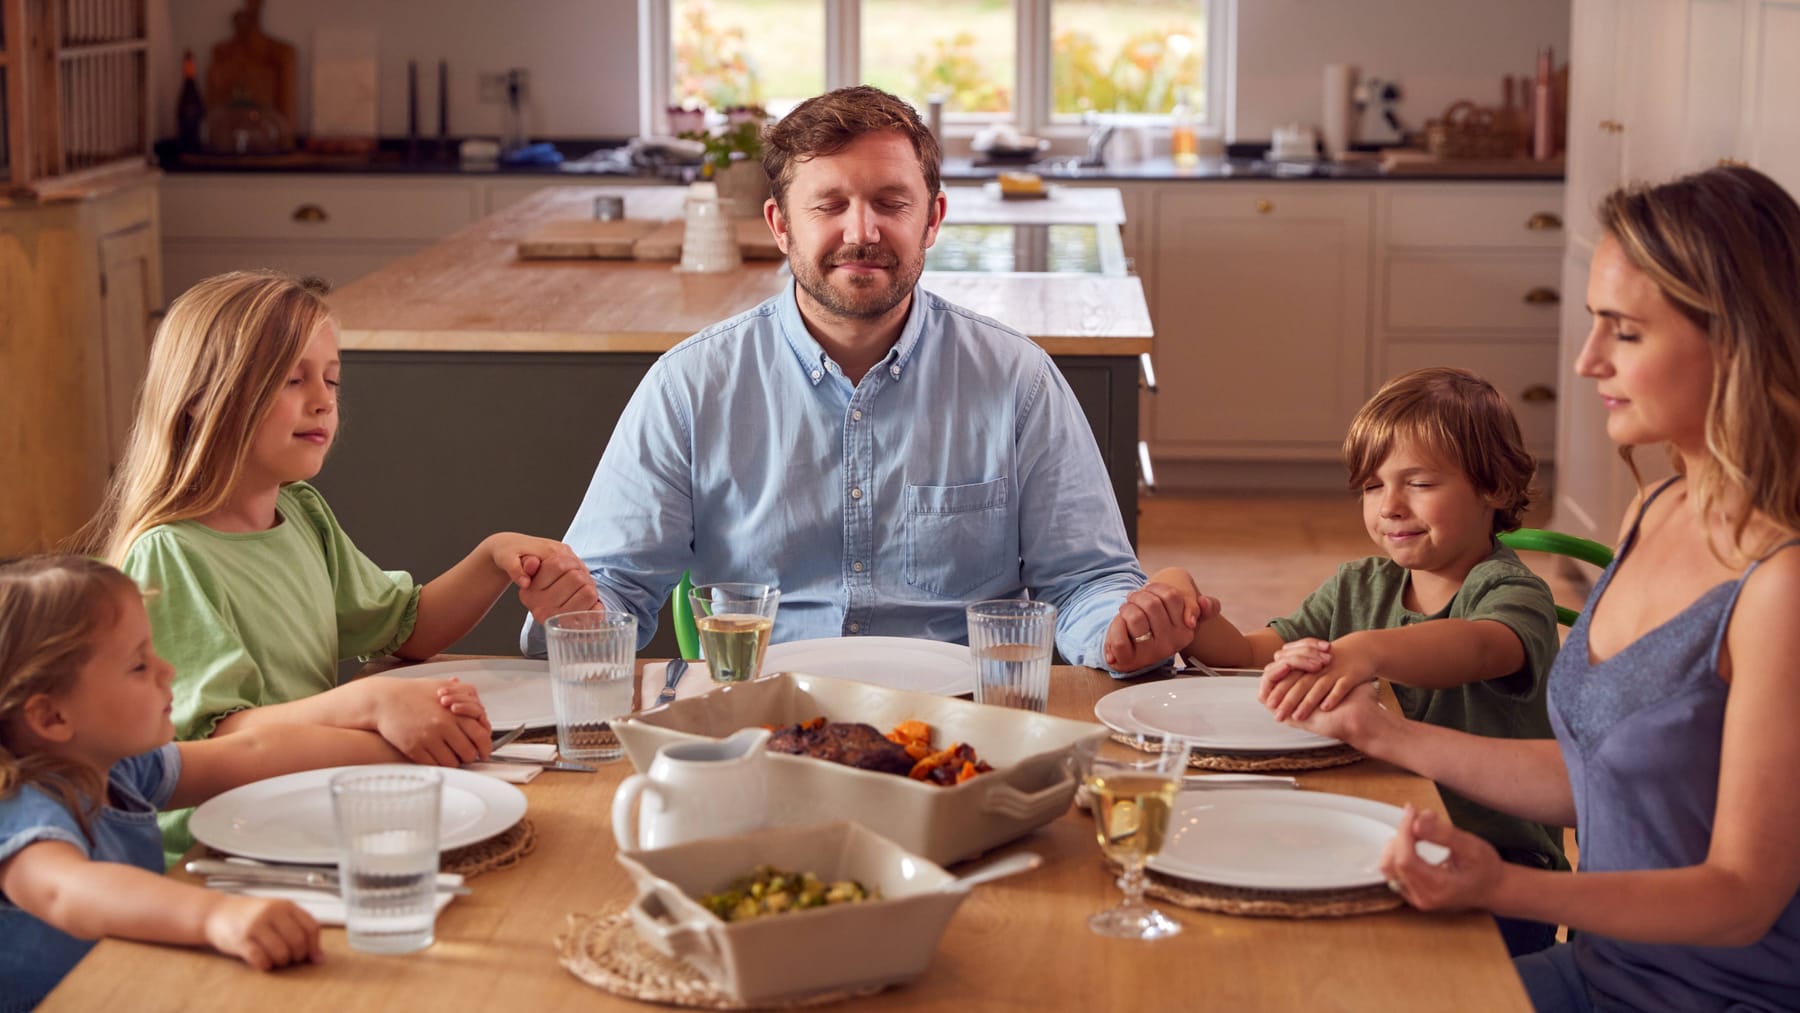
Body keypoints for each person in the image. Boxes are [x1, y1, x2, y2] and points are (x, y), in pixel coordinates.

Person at [1299, 166, 1800, 1011]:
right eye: (1593, 323)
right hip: (1597, 970)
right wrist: (1384, 735)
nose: (1586, 359)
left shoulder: (1781, 585)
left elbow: (1740, 894)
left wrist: (1506, 885)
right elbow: (1601, 776)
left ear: (1736, 338)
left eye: (1625, 332)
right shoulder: (1658, 506)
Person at [522, 86, 1145, 669]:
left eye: (891, 203)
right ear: (780, 225)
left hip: (962, 724)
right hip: (763, 717)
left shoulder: (1019, 380)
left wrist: (1125, 630)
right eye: (830, 205)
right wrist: (577, 612)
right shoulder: (689, 386)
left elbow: (1088, 580)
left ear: (932, 220)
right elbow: (612, 589)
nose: (862, 232)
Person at [79, 270, 599, 866]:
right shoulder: (170, 553)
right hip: (220, 845)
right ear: (202, 395)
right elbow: (221, 742)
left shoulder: (300, 513)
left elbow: (407, 627)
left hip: (311, 805)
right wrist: (373, 704)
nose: (323, 399)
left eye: (330, 379)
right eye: (291, 379)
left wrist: (493, 558)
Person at [1114, 366, 1566, 955]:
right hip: (1373, 844)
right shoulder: (1360, 585)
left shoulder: (1509, 591)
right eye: (1373, 487)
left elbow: (1481, 644)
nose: (1391, 506)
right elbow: (1248, 655)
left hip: (1492, 872)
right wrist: (1182, 606)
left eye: (1420, 483)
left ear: (1495, 489)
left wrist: (1364, 651)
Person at [0, 556, 417, 1009]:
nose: (168, 670)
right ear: (51, 716)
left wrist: (406, 755)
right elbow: (66, 891)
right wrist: (215, 915)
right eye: (138, 665)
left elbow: (248, 756)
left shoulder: (117, 767)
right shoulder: (21, 808)